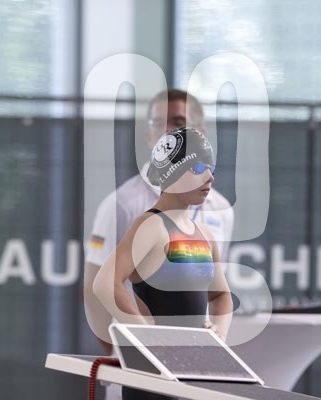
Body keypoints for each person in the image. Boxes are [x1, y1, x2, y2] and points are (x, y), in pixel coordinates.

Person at [83, 89, 233, 399]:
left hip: (191, 370)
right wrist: (139, 342)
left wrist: (218, 334)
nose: (209, 178)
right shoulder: (138, 216)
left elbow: (219, 294)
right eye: (198, 169)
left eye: (211, 169)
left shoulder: (209, 228)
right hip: (149, 373)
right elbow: (100, 284)